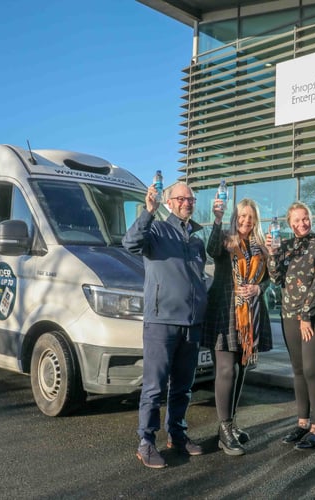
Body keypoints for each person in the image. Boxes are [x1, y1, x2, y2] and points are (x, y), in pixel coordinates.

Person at [122, 181, 208, 469]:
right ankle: (146, 442)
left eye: (191, 198)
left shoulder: (196, 238)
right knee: (154, 388)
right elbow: (130, 242)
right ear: (169, 203)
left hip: (191, 323)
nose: (187, 202)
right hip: (161, 321)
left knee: (183, 387)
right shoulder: (156, 229)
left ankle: (177, 435)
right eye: (181, 198)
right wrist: (148, 212)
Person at [203, 197, 272, 456]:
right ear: (235, 218)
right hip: (225, 311)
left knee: (242, 369)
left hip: (250, 315)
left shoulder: (261, 246)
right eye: (241, 216)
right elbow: (211, 250)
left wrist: (258, 287)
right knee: (226, 370)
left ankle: (230, 425)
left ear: (255, 221)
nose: (245, 221)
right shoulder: (225, 239)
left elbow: (268, 278)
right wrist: (217, 219)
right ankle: (224, 429)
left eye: (250, 217)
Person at [267, 202, 315, 450]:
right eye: (297, 220)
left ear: (310, 218)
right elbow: (276, 279)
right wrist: (273, 255)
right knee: (297, 371)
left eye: (305, 218)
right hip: (289, 315)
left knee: (311, 369)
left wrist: (306, 315)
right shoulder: (285, 246)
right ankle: (303, 423)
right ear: (289, 223)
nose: (302, 223)